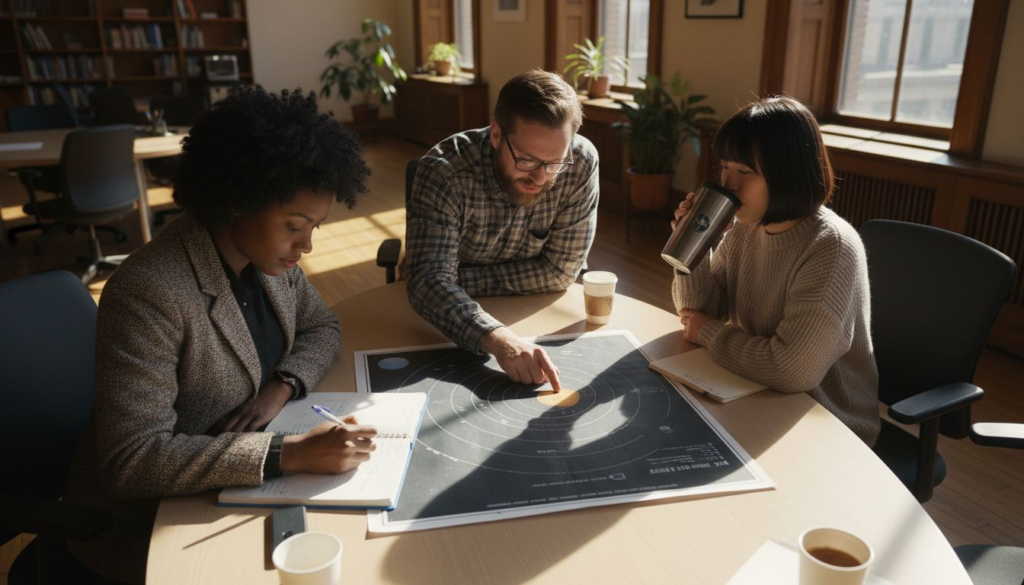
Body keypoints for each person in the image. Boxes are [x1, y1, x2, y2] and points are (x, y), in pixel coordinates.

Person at [62, 86, 377, 584]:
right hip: (154, 522)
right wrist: (288, 452)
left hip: (235, 485)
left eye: (315, 226)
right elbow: (133, 460)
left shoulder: (270, 259)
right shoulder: (151, 291)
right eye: (296, 225)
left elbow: (321, 326)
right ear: (237, 200)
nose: (308, 245)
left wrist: (282, 387)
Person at [670, 95, 880, 445]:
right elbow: (700, 311)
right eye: (725, 167)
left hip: (825, 422)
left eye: (745, 172)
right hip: (756, 390)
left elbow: (791, 369)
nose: (728, 184)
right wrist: (694, 245)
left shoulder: (831, 247)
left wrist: (709, 334)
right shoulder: (746, 225)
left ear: (788, 172)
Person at [405, 69, 600, 390]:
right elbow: (427, 283)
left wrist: (456, 280)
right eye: (526, 160)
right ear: (496, 135)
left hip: (534, 310)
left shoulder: (579, 161)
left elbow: (561, 271)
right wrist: (498, 339)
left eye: (554, 163)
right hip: (446, 327)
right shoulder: (444, 171)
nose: (541, 177)